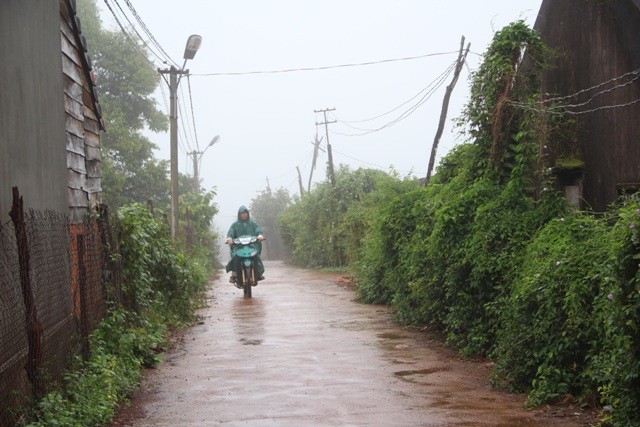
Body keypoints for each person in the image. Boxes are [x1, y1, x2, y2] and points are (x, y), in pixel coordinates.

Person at [225, 205, 266, 284]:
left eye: (245, 213)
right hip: (238, 247)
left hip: (251, 246)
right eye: (242, 213)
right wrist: (229, 238)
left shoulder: (252, 224)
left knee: (256, 255)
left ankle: (258, 273)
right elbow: (231, 232)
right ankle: (234, 274)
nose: (244, 215)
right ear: (239, 214)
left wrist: (259, 235)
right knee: (235, 256)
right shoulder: (235, 225)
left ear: (248, 214)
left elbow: (258, 229)